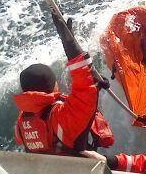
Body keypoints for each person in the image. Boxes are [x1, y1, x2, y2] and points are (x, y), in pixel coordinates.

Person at [13, 12, 114, 155]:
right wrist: (69, 44)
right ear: (53, 86)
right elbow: (85, 91)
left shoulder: (21, 122)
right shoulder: (60, 117)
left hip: (48, 171)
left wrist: (95, 83)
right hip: (77, 171)